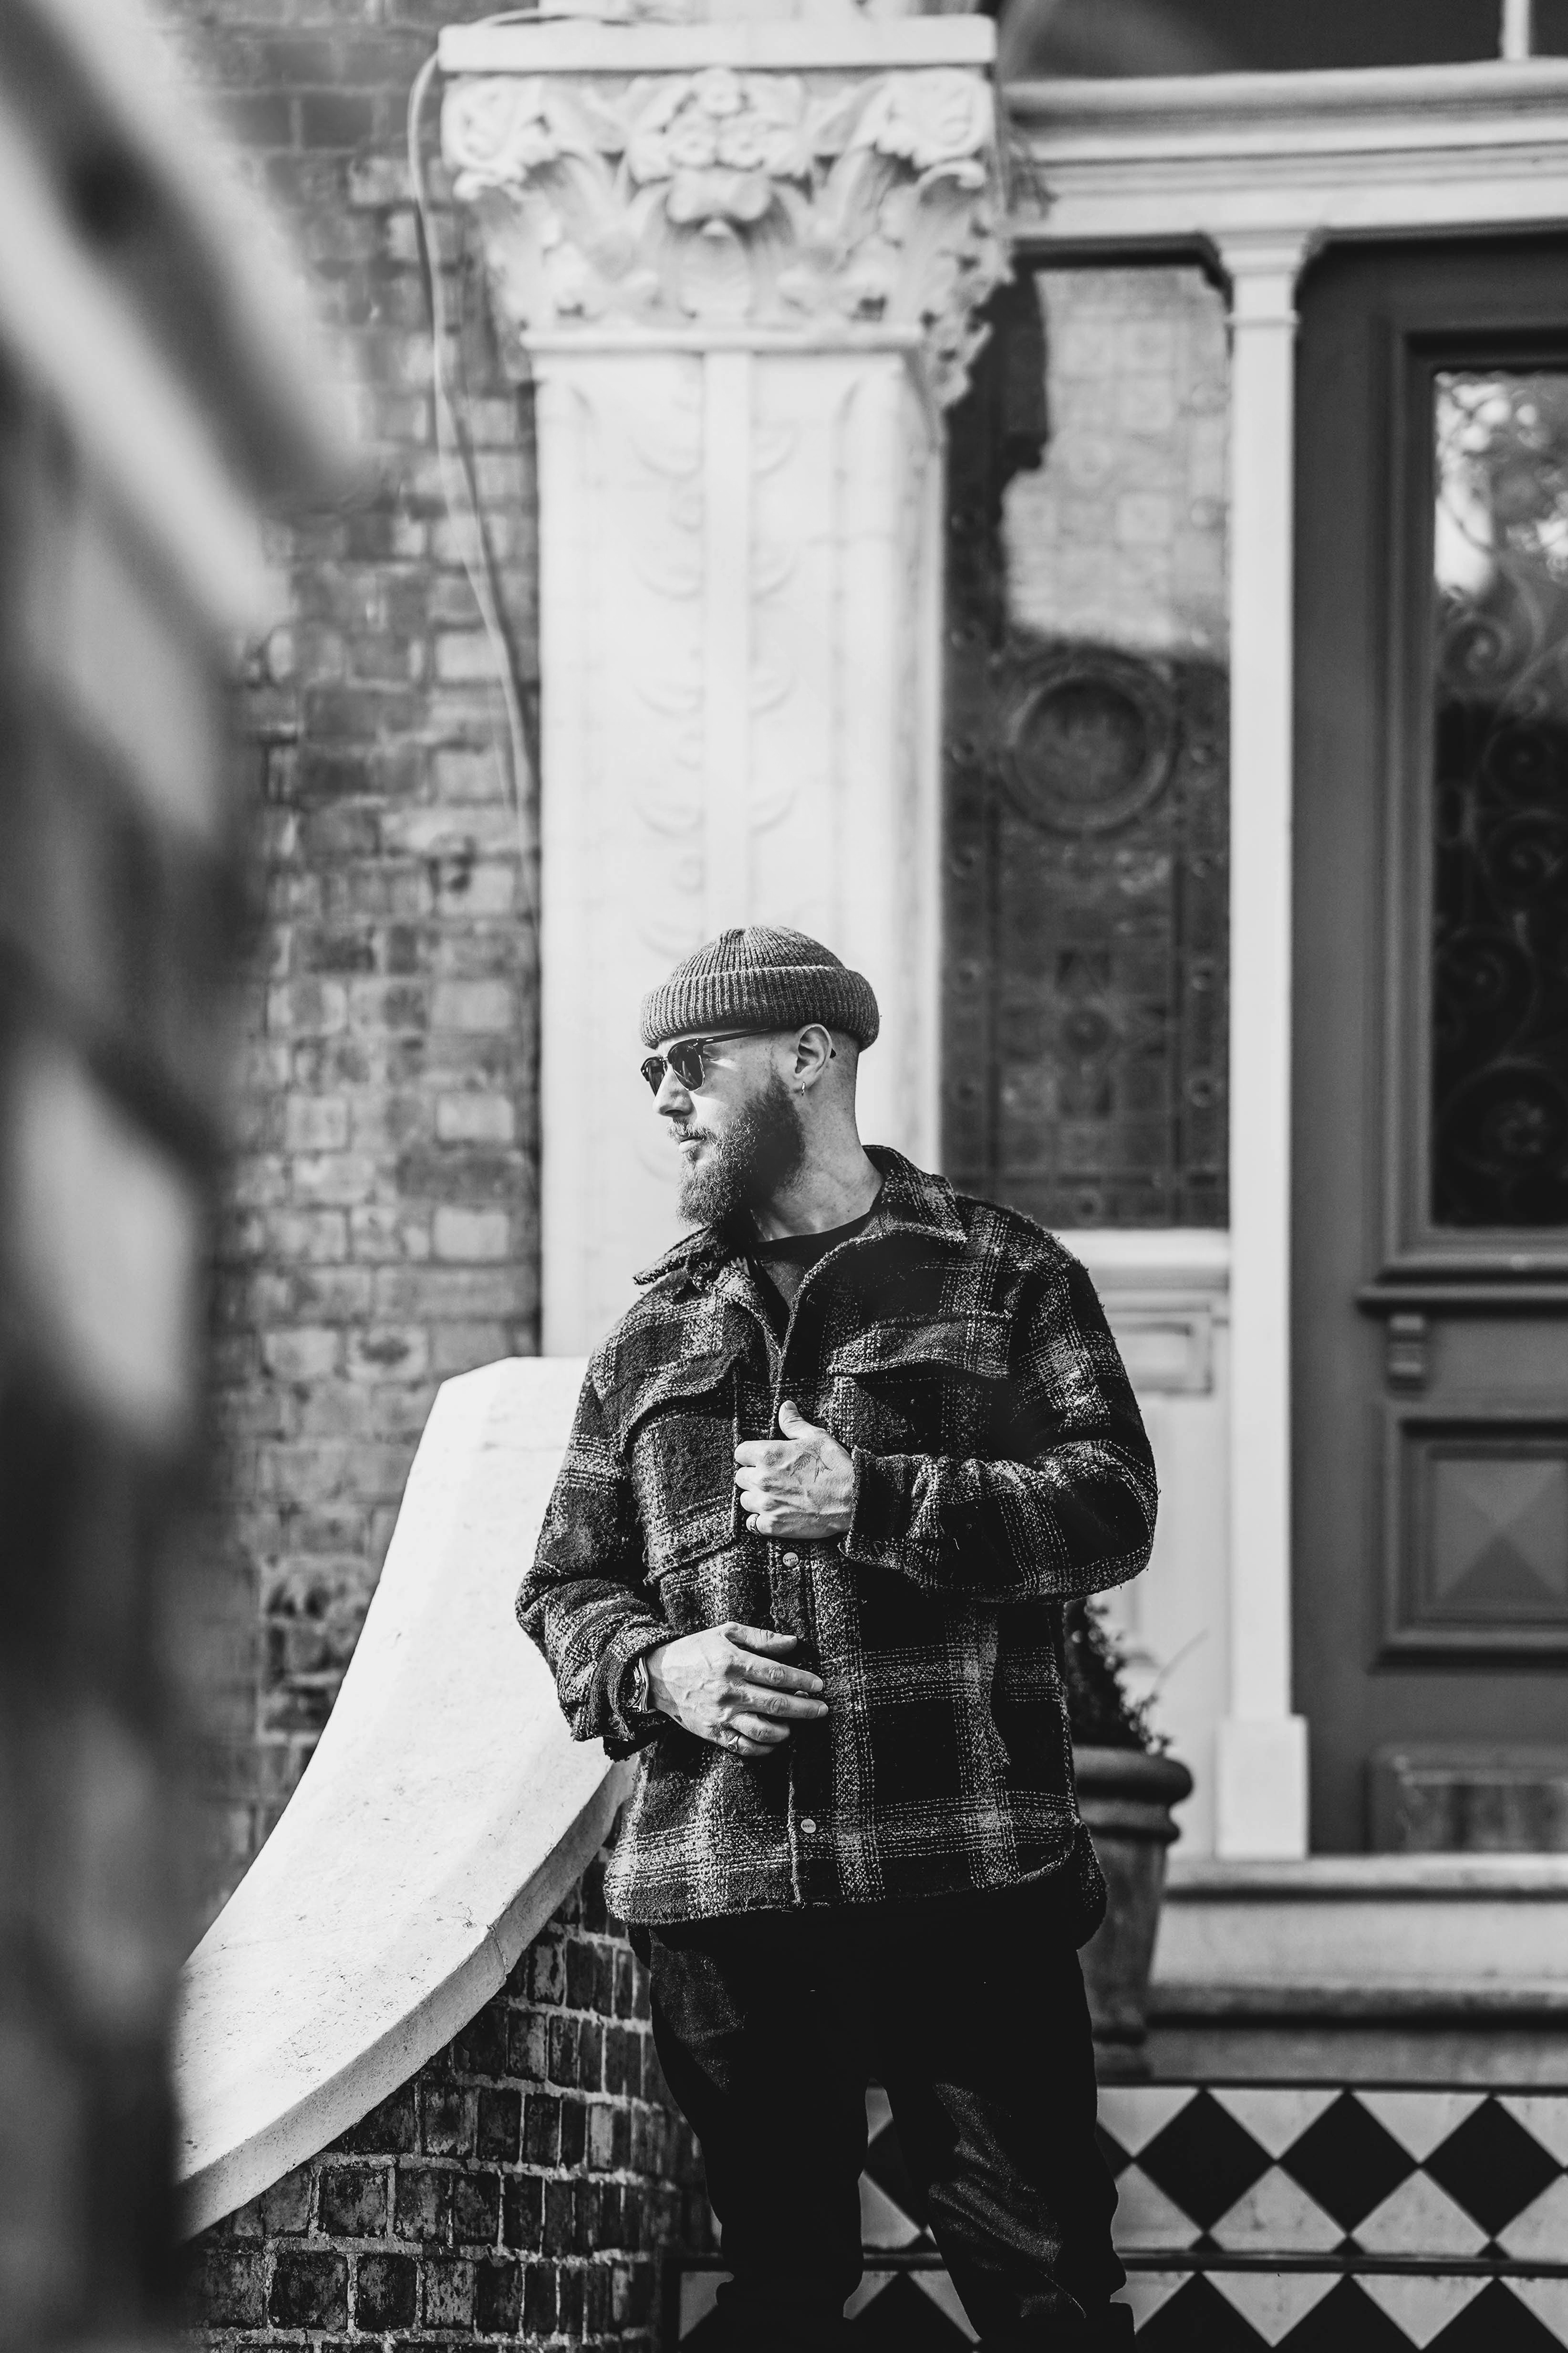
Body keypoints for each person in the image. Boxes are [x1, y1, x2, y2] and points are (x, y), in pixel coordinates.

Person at [518, 925, 1157, 2350]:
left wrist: (873, 1497)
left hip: (964, 1868)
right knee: (779, 2295)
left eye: (694, 1062)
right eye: (651, 1070)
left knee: (1046, 2285)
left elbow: (1111, 1506)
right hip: (727, 1884)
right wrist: (657, 1669)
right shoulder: (652, 1331)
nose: (666, 1096)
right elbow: (564, 1582)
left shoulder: (1001, 1275)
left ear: (809, 1055)